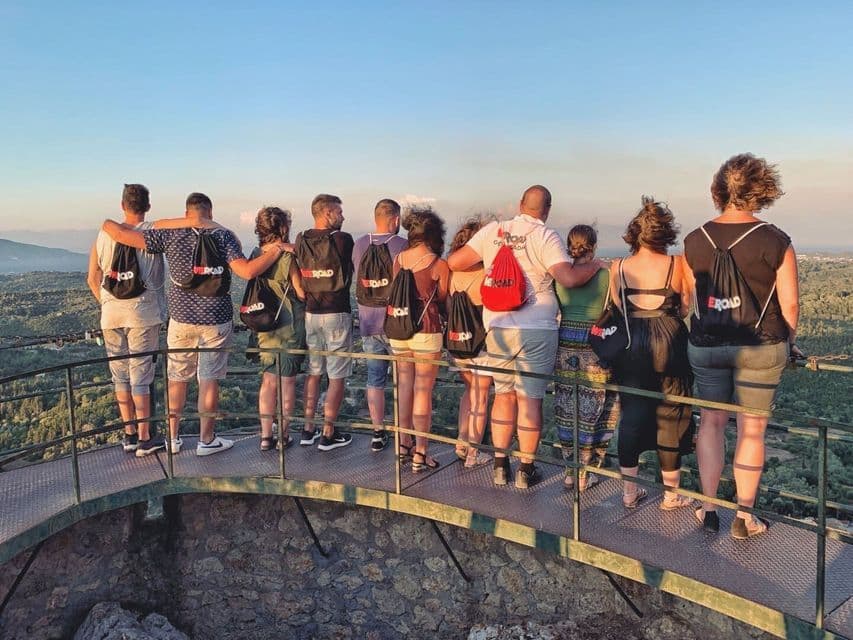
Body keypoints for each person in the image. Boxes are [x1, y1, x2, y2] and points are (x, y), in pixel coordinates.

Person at [102, 192, 286, 457]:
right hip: (216, 318)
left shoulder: (170, 234)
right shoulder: (224, 235)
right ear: (209, 212)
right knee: (208, 380)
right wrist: (278, 249)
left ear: (186, 212)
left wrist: (107, 223)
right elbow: (246, 271)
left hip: (181, 319)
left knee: (177, 379)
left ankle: (173, 439)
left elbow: (122, 235)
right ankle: (206, 440)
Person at [448, 185, 604, 488]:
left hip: (498, 325)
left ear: (520, 204)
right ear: (546, 209)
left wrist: (493, 265)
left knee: (503, 396)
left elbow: (455, 262)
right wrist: (596, 266)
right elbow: (568, 278)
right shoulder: (546, 236)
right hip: (537, 327)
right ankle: (525, 470)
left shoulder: (494, 230)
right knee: (530, 400)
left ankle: (499, 466)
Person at [684, 153, 800, 538]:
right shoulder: (775, 240)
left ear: (719, 190)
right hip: (761, 346)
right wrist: (792, 341)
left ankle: (708, 507)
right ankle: (744, 516)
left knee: (711, 422)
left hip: (706, 344)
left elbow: (693, 300)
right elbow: (791, 305)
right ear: (761, 189)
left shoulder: (694, 240)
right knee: (752, 429)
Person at [609, 197, 695, 511]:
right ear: (666, 233)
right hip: (671, 343)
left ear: (635, 233)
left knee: (631, 414)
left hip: (633, 343)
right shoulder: (678, 264)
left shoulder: (617, 267)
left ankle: (629, 492)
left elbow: (619, 308)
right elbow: (685, 307)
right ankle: (671, 495)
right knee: (672, 416)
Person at [86, 184, 167, 457]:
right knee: (141, 376)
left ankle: (129, 434)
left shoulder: (103, 235)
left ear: (122, 205)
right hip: (144, 313)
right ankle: (146, 438)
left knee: (119, 375)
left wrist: (107, 303)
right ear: (148, 206)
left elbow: (92, 278)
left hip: (111, 315)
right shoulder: (153, 233)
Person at [554, 225, 619, 490]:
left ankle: (570, 470)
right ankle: (586, 472)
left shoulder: (560, 276)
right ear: (593, 244)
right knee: (599, 409)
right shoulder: (606, 273)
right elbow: (616, 305)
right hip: (596, 342)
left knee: (567, 406)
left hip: (564, 341)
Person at [389, 206, 450, 472]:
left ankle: (403, 445)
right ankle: (421, 453)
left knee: (404, 388)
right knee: (423, 391)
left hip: (399, 331)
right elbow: (443, 299)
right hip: (426, 331)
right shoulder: (439, 264)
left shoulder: (399, 260)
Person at [295, 194, 355, 452]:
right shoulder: (342, 239)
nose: (343, 217)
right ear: (327, 213)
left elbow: (295, 264)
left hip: (311, 312)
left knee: (314, 370)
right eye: (339, 212)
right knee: (337, 375)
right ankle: (328, 433)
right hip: (336, 311)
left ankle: (308, 429)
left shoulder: (301, 239)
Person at [247, 207, 306, 451]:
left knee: (268, 382)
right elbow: (300, 291)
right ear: (284, 228)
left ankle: (264, 436)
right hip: (289, 324)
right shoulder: (288, 256)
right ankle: (283, 435)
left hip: (264, 326)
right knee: (288, 383)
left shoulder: (254, 253)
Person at [353, 199, 407, 452]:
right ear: (395, 219)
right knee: (405, 381)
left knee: (375, 380)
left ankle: (377, 432)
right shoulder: (402, 245)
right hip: (396, 323)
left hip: (367, 322)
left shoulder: (360, 244)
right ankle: (405, 436)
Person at [447, 216, 493, 469]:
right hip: (481, 343)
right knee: (481, 398)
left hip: (457, 342)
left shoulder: (451, 273)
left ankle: (462, 441)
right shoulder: (486, 273)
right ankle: (474, 453)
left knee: (469, 392)